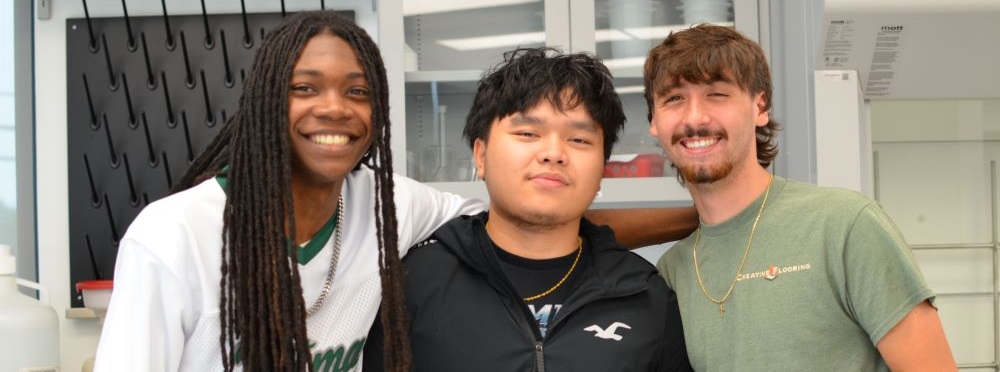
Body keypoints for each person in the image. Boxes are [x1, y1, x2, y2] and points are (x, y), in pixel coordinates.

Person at [94, 11, 697, 372]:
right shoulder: (173, 235)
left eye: (357, 92)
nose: (335, 108)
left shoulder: (390, 209)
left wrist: (698, 219)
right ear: (263, 102)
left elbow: (535, 216)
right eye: (306, 88)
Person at [646, 24, 956, 371]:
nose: (695, 118)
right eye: (674, 99)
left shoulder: (845, 225)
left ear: (759, 106)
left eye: (717, 94)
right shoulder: (672, 272)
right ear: (654, 123)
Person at [367, 47, 692, 371]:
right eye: (527, 133)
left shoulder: (645, 294)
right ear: (480, 156)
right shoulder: (413, 284)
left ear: (601, 170)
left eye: (579, 140)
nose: (553, 153)